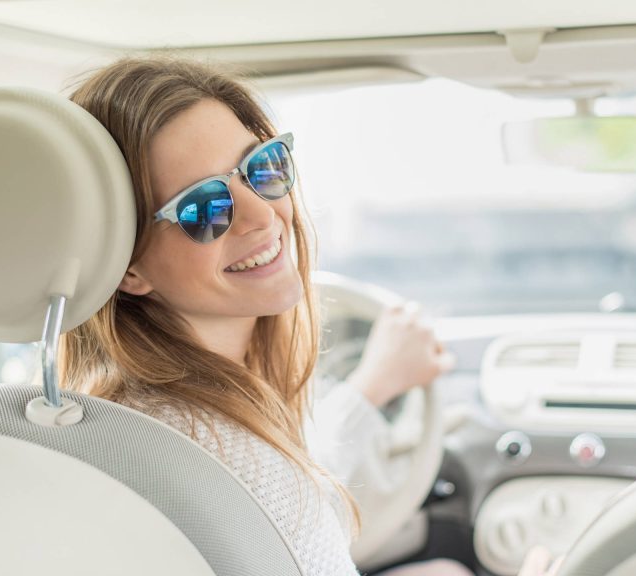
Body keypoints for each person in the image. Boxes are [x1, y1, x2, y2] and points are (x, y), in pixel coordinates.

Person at [58, 56, 473, 576]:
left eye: (262, 167)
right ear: (127, 268)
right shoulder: (210, 451)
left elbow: (297, 501)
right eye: (204, 209)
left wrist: (372, 388)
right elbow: (283, 503)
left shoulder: (131, 414)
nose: (262, 214)